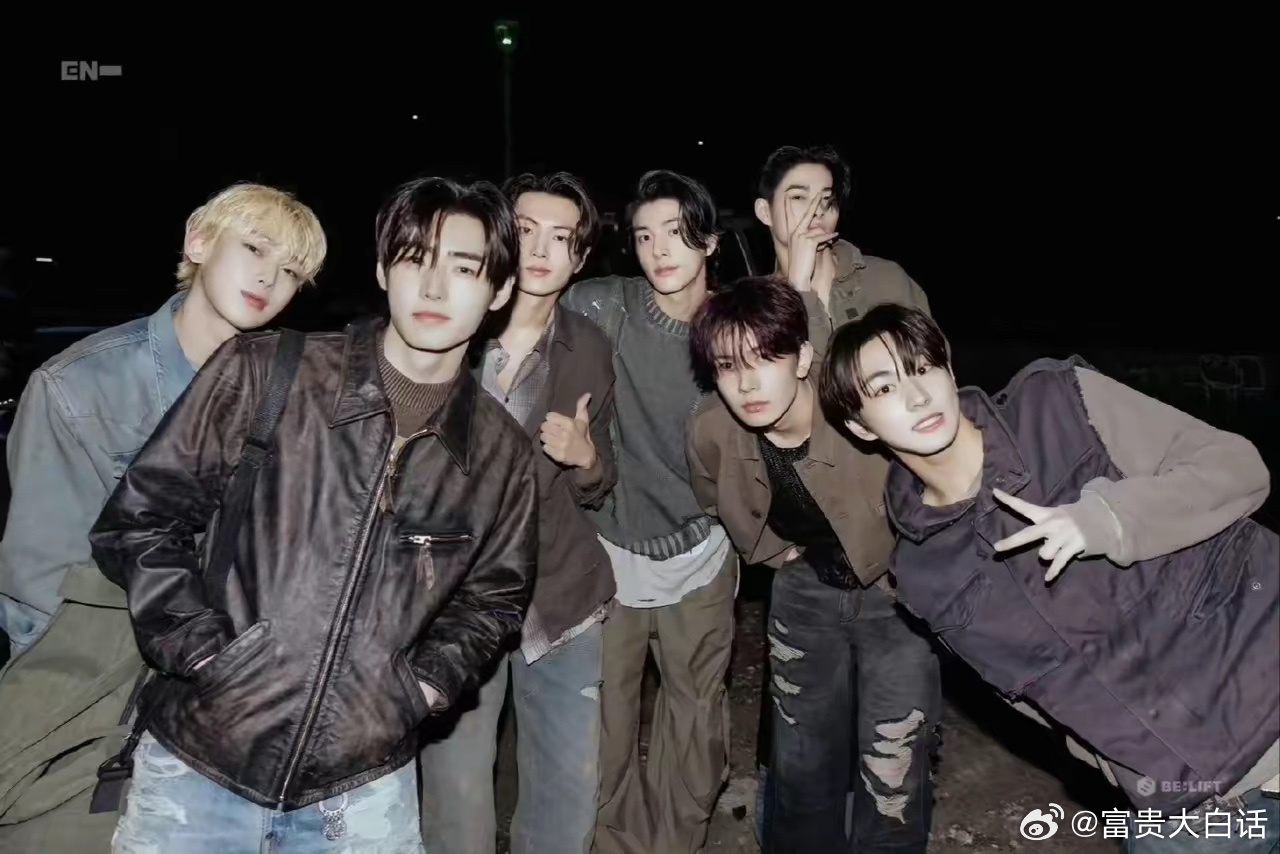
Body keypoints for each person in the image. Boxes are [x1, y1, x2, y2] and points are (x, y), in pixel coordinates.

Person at [87, 176, 540, 852]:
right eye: (415, 259)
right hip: (201, 762)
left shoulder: (500, 452)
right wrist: (203, 652)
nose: (433, 287)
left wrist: (419, 688)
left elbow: (494, 599)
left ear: (499, 292)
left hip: (362, 786)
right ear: (384, 271)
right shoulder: (269, 370)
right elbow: (142, 517)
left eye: (464, 268)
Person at [818, 303, 1279, 851]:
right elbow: (1035, 702)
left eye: (923, 368)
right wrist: (1120, 769)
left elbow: (1237, 468)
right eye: (884, 387)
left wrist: (1110, 519)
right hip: (1188, 809)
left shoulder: (1057, 404)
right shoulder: (923, 574)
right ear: (858, 425)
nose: (917, 396)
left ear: (948, 369)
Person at [0, 182, 326, 851]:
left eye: (292, 270)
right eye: (255, 248)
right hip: (100, 699)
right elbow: (38, 588)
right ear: (199, 241)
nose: (270, 277)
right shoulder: (80, 387)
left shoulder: (295, 395)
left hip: (236, 703)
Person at [686, 276, 940, 852]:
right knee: (801, 762)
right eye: (727, 366)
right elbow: (713, 497)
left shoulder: (859, 408)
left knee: (894, 764)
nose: (747, 383)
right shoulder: (711, 431)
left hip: (896, 598)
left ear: (803, 359)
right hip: (804, 595)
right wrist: (779, 552)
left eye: (765, 358)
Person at [419, 172, 617, 854]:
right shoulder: (448, 331)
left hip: (559, 598)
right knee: (456, 806)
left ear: (579, 258)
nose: (539, 249)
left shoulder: (589, 348)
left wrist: (585, 458)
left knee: (566, 801)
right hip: (453, 602)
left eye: (561, 238)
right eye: (526, 230)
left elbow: (598, 487)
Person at [560, 170, 738, 854]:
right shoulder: (606, 306)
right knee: (604, 723)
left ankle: (677, 842)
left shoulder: (737, 330)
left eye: (676, 233)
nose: (659, 250)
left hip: (702, 551)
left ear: (710, 241)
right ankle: (615, 844)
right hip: (610, 550)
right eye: (643, 236)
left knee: (694, 722)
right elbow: (527, 304)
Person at [754, 144, 930, 359]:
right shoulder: (758, 308)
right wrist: (797, 291)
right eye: (799, 197)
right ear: (765, 212)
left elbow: (932, 363)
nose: (817, 210)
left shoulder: (885, 279)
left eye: (827, 199)